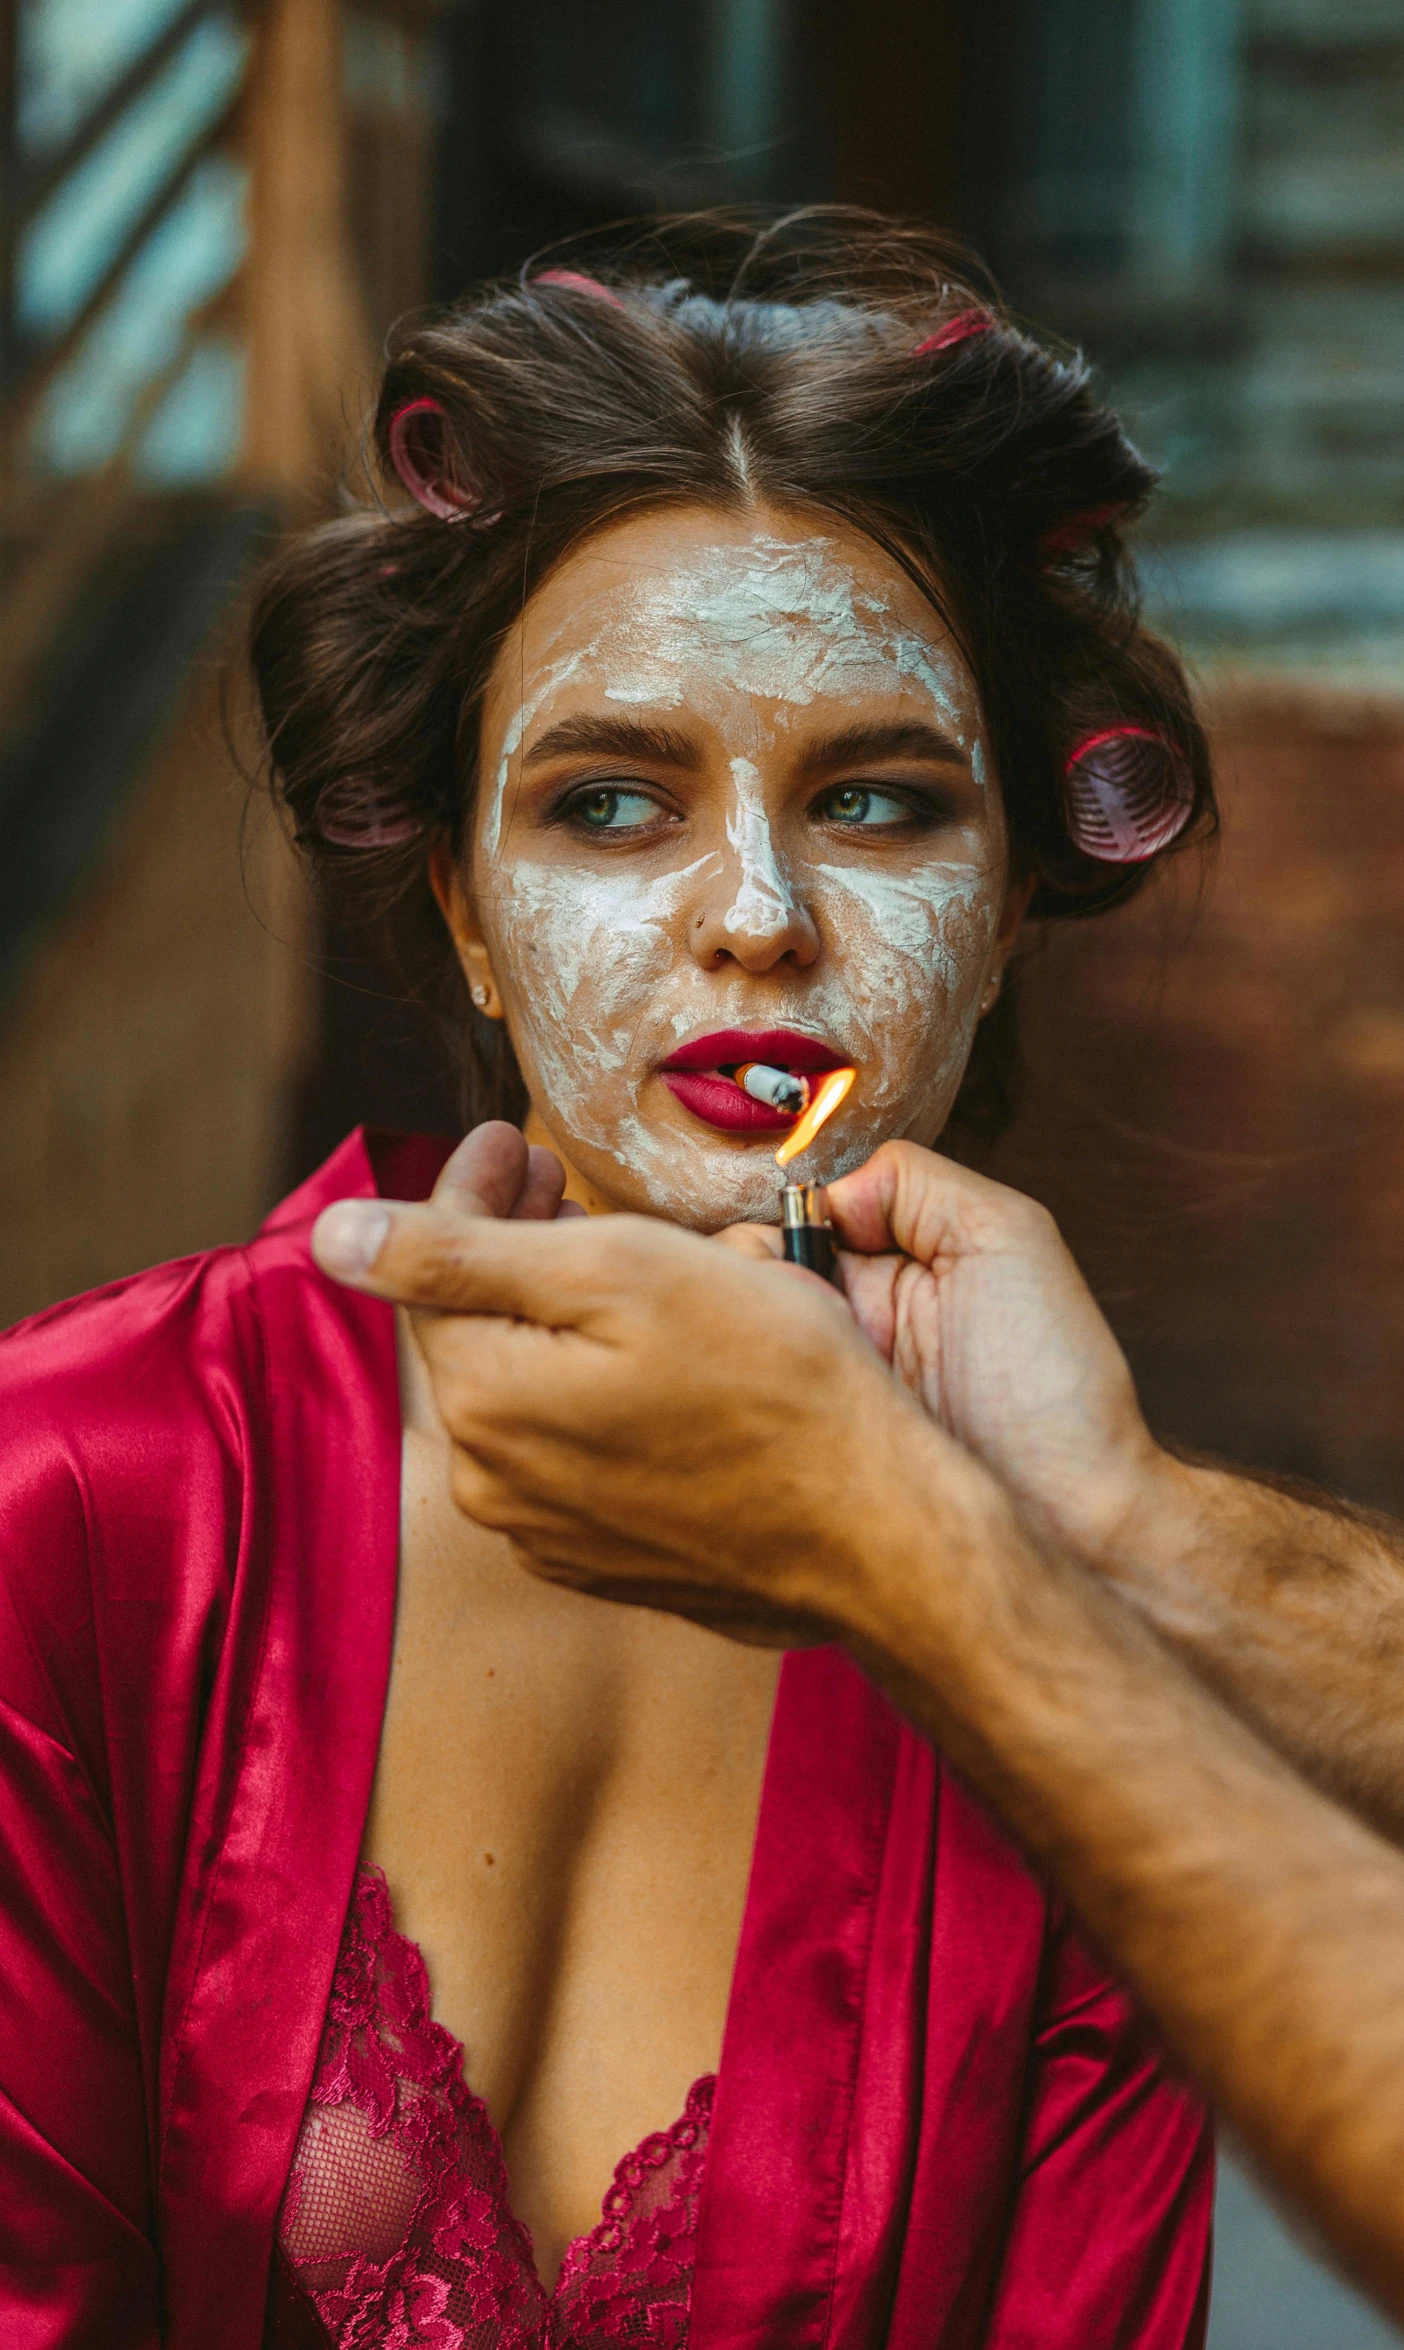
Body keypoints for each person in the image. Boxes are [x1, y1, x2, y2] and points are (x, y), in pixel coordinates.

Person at [0, 214, 1220, 2348]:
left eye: (871, 796)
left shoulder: (1111, 1663)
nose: (754, 912)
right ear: (465, 904)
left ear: (1013, 897)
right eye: (609, 799)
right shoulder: (71, 1495)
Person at [310, 1121, 1404, 2350]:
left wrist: (950, 1568)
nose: (757, 919)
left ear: (1009, 933)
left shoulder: (1020, 1888)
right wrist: (1117, 1523)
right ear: (465, 927)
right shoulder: (149, 1458)